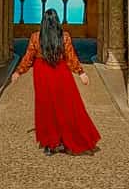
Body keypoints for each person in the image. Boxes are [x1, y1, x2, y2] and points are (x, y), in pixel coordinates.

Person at [10, 8, 100, 155]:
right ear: (57, 22)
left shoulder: (36, 37)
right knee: (66, 106)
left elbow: (28, 57)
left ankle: (50, 144)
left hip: (42, 73)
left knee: (46, 107)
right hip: (60, 72)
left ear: (43, 22)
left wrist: (18, 71)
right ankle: (67, 140)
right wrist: (81, 72)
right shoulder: (64, 37)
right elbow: (71, 57)